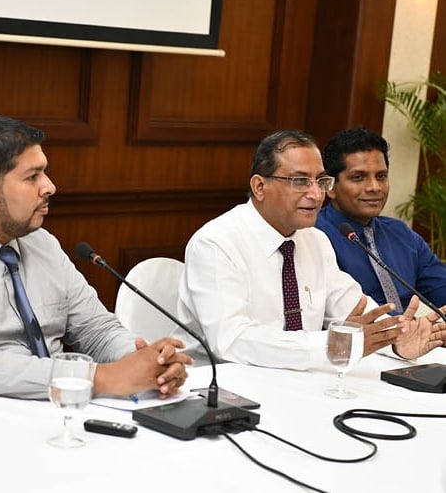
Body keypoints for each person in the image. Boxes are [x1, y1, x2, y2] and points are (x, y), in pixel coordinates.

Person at [0, 114, 192, 399]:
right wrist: (95, 378)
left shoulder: (42, 243)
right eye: (32, 177)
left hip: (63, 412)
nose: (50, 187)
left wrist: (147, 362)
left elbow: (95, 328)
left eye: (45, 173)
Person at [177, 129, 446, 369]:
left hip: (300, 379)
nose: (316, 194)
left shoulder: (314, 240)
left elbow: (356, 310)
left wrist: (397, 340)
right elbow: (231, 341)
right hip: (224, 382)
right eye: (300, 181)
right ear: (260, 186)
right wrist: (330, 344)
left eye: (320, 181)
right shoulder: (216, 243)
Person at [316, 126, 446, 314]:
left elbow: (441, 289)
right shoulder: (315, 236)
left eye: (381, 176)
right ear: (330, 187)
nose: (374, 187)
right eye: (358, 177)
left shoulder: (401, 233)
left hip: (416, 338)